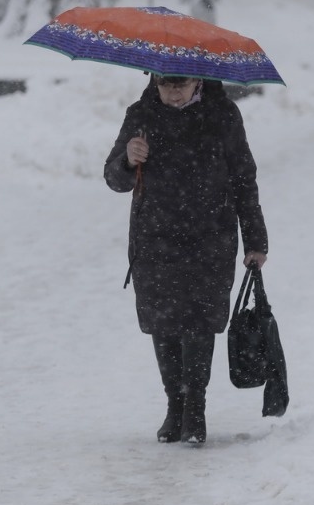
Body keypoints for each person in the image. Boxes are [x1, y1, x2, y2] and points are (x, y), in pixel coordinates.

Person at [104, 74, 269, 445]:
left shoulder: (223, 115)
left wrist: (255, 240)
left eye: (180, 84)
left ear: (199, 81)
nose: (172, 92)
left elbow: (244, 178)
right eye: (165, 84)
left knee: (199, 320)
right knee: (163, 323)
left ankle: (195, 405)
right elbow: (114, 178)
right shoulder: (141, 115)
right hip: (155, 237)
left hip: (209, 236)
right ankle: (174, 404)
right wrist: (128, 160)